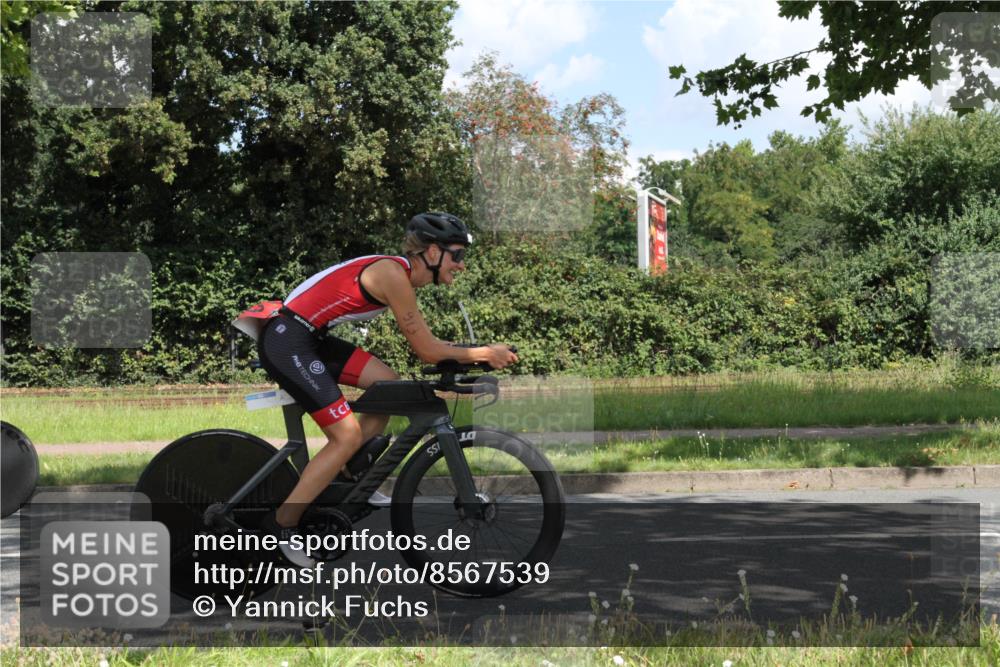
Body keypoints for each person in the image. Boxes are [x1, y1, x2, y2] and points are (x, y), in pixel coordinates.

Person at [253, 212, 518, 566]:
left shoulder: (398, 274)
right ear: (434, 253)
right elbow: (426, 350)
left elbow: (430, 342)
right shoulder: (394, 276)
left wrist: (472, 356)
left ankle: (347, 477)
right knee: (345, 436)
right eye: (458, 255)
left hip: (308, 337)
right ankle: (283, 526)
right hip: (289, 342)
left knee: (387, 386)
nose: (462, 265)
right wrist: (485, 353)